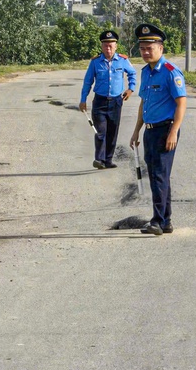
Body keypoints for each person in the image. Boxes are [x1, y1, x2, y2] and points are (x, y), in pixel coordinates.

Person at [129, 23, 187, 236]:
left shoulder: (171, 72)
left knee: (160, 176)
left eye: (149, 48)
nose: (145, 52)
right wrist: (137, 130)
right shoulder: (146, 72)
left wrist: (174, 131)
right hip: (150, 131)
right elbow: (144, 103)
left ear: (160, 48)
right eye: (142, 48)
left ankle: (157, 220)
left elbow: (181, 102)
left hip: (166, 130)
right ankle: (166, 220)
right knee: (157, 175)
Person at [79, 30, 136, 170]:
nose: (108, 48)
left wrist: (131, 89)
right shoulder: (95, 62)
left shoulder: (123, 61)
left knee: (112, 132)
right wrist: (83, 99)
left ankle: (108, 160)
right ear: (102, 47)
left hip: (116, 102)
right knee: (100, 131)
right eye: (105, 45)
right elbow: (88, 82)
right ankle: (99, 159)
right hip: (99, 102)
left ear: (116, 46)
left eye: (111, 45)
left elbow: (132, 74)